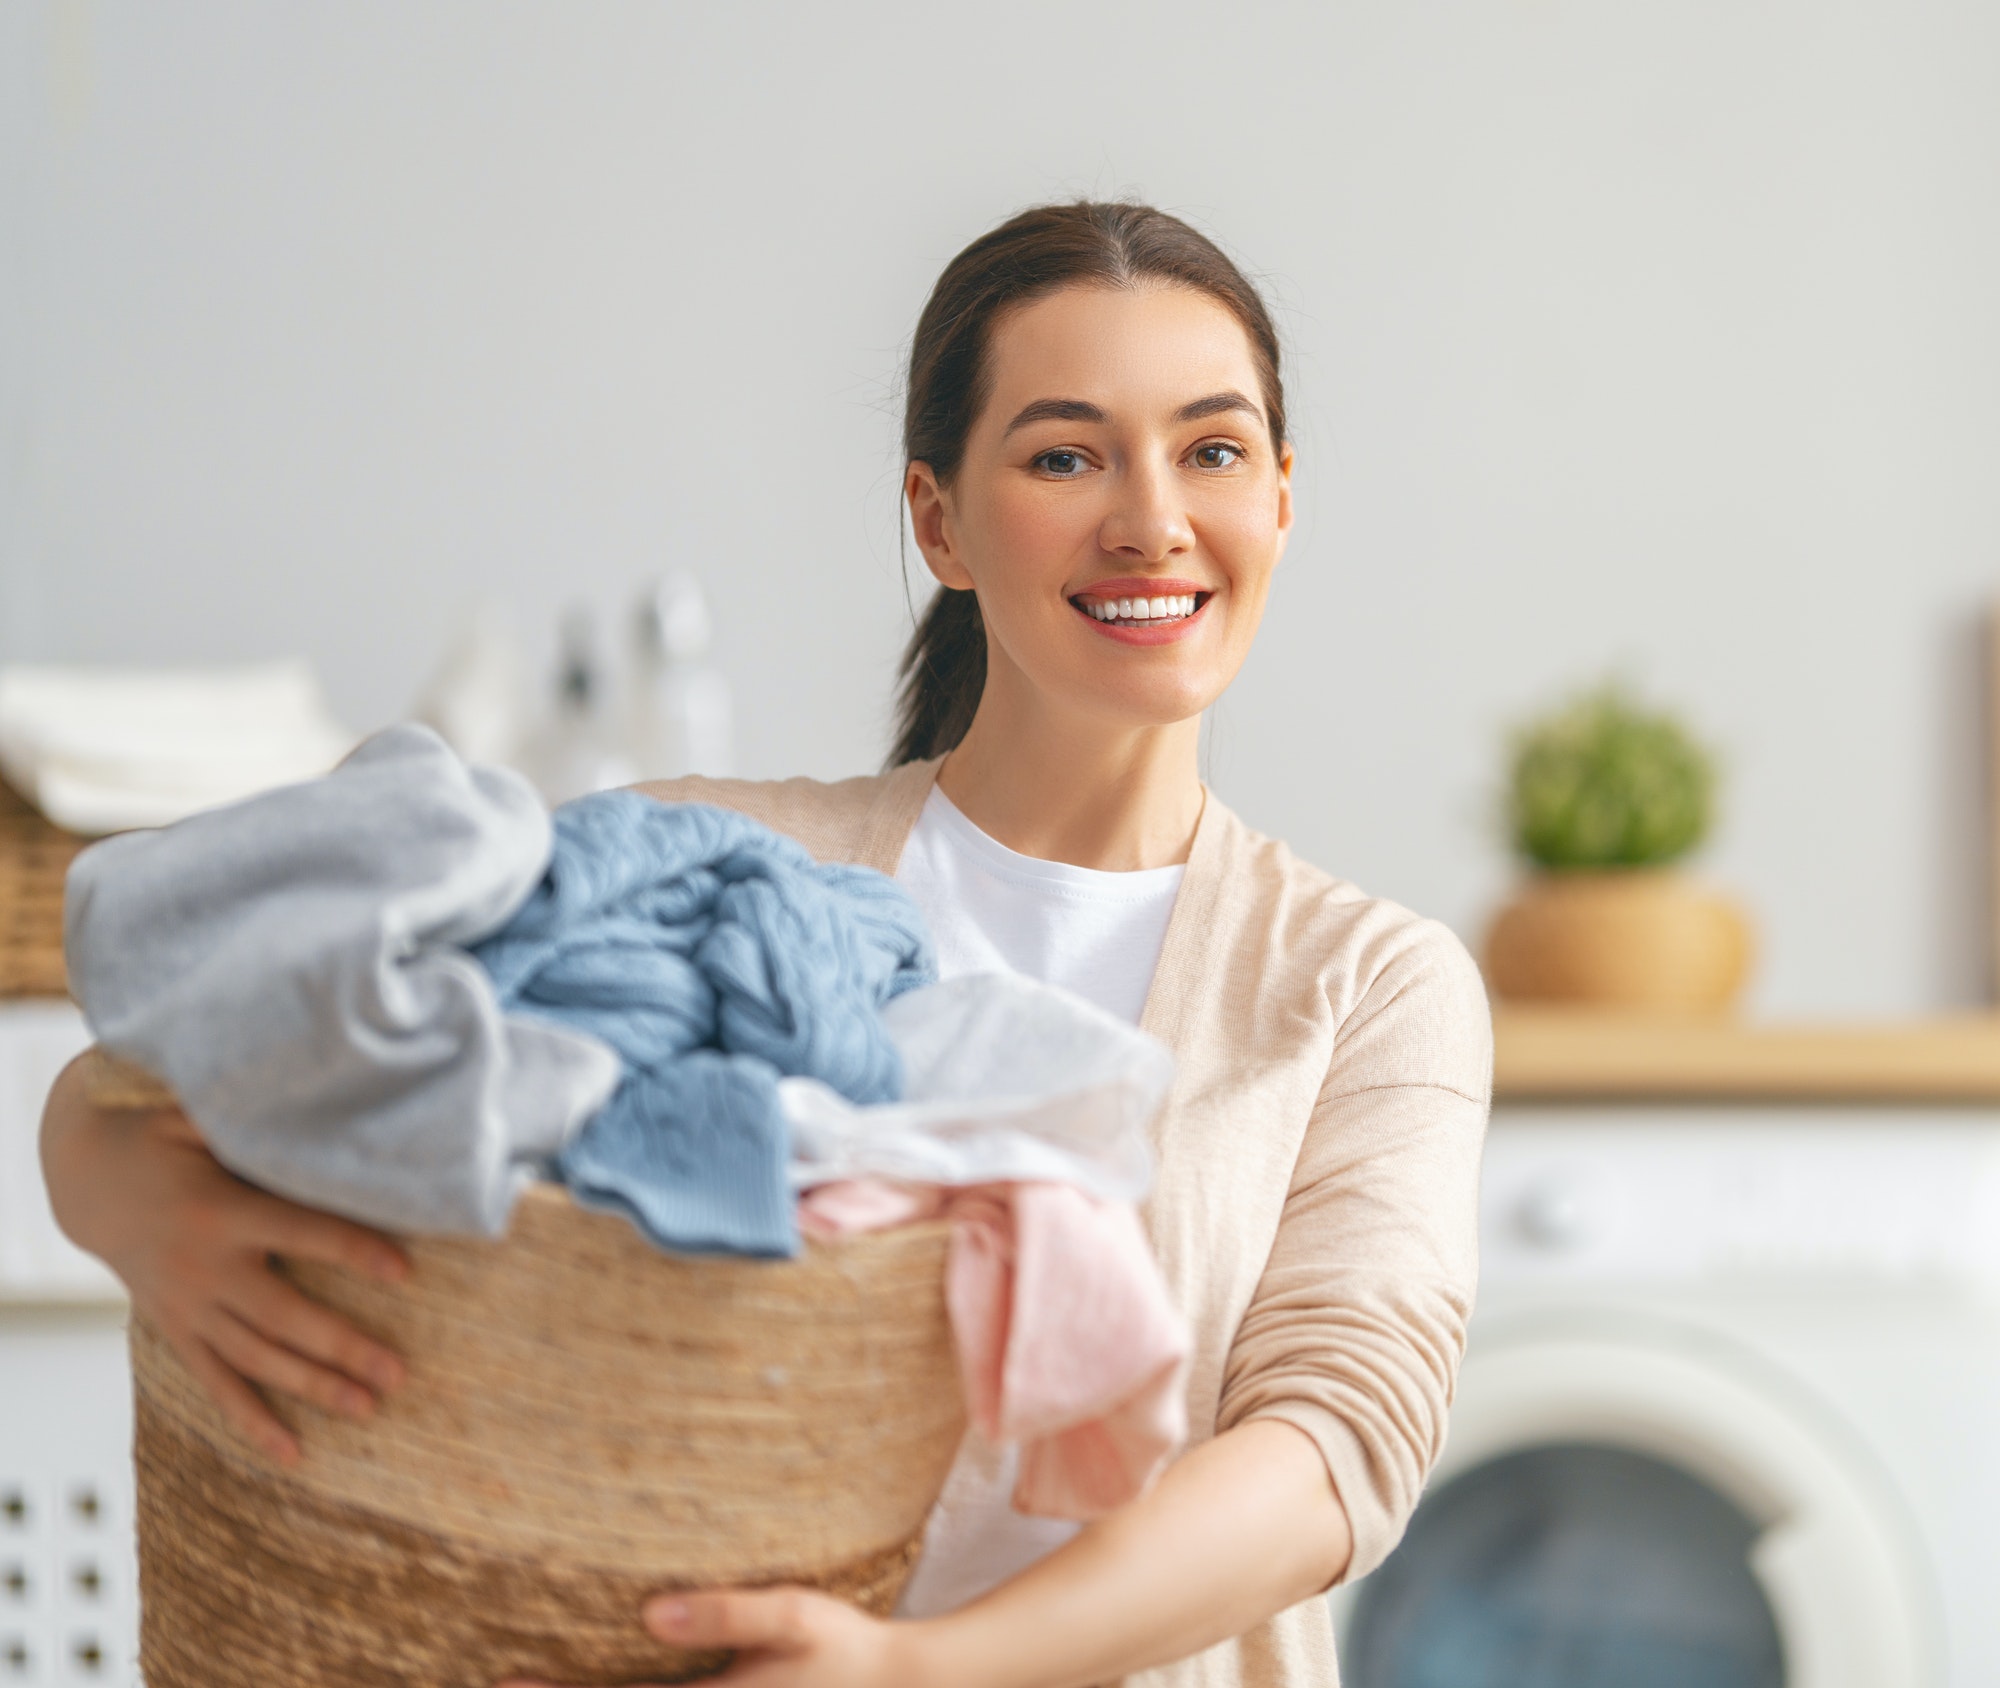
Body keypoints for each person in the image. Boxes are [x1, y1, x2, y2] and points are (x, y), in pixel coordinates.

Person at [40, 201, 1491, 1688]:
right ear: (940, 521)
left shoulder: (1365, 984)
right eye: (1065, 454)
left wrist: (923, 1671)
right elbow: (174, 1052)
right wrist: (129, 1205)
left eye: (1213, 449)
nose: (1152, 516)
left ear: (1284, 496)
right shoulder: (708, 864)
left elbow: (1338, 1445)